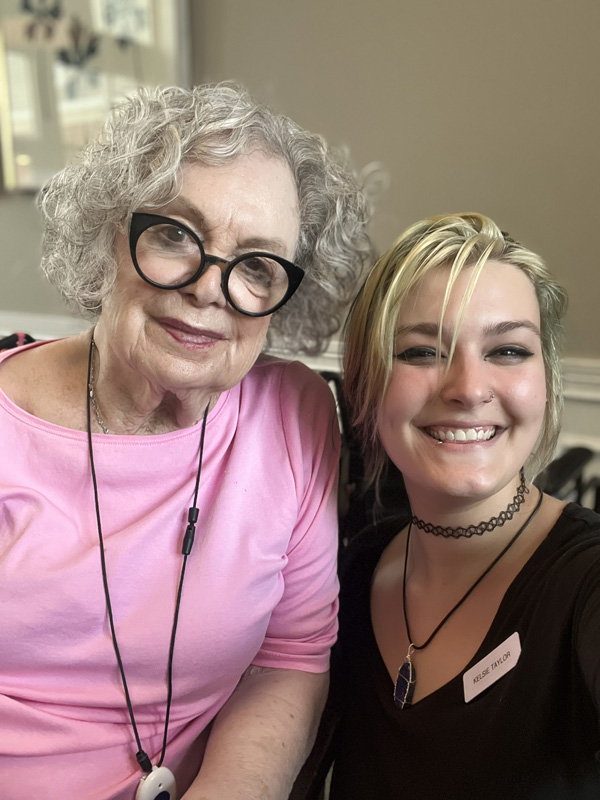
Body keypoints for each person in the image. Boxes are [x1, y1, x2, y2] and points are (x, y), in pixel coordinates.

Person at [0, 84, 372, 800]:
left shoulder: (293, 416)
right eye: (176, 234)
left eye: (258, 265)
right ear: (111, 232)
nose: (211, 289)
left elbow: (288, 658)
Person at [330, 213, 600, 798]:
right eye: (422, 351)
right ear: (365, 383)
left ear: (546, 382)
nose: (468, 387)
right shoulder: (355, 570)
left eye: (507, 350)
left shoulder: (584, 578)